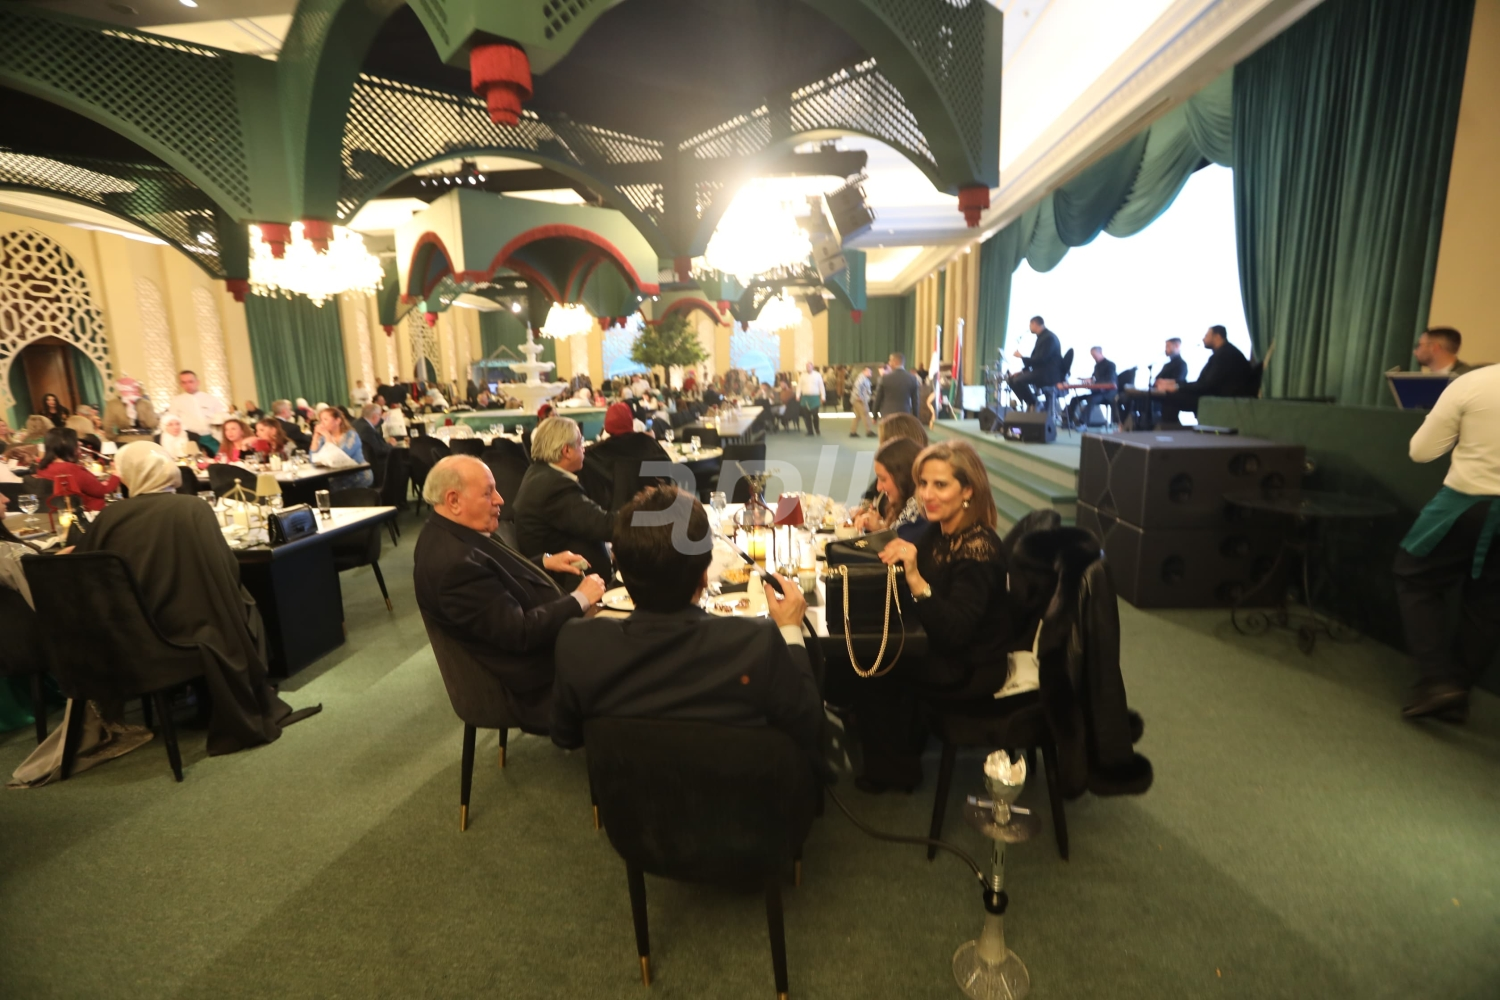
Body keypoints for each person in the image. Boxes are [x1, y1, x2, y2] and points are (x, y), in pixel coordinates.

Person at [551, 485, 827, 780]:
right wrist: (791, 629)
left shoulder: (577, 644)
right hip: (745, 801)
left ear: (621, 570)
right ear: (704, 574)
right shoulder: (756, 642)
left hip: (634, 803)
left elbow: (567, 736)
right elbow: (809, 726)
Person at [76, 441, 319, 755]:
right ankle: (242, 690)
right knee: (243, 604)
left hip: (131, 634)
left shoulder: (109, 517)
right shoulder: (192, 508)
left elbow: (87, 573)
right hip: (194, 632)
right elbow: (225, 570)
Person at [843, 441, 1016, 792]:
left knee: (869, 663)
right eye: (923, 483)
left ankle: (896, 771)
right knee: (860, 648)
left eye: (940, 485)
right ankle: (893, 747)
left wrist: (915, 578)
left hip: (970, 665)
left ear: (967, 490)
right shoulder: (939, 530)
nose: (927, 495)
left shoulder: (979, 549)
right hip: (939, 642)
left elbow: (956, 632)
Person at [414, 455, 606, 732]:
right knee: (634, 658)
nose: (500, 499)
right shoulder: (453, 565)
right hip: (537, 680)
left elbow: (496, 576)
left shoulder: (452, 531)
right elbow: (520, 633)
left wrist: (544, 562)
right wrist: (580, 599)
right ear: (453, 500)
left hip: (548, 646)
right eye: (488, 492)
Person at [1392, 362, 1500, 722]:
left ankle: (1439, 682)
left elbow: (1421, 451)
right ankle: (1458, 691)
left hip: (1466, 502)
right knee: (1489, 603)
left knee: (1414, 577)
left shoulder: (1474, 383)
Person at [513, 416, 614, 589]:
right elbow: (605, 526)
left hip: (564, 574)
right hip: (567, 585)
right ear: (566, 450)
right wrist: (648, 515)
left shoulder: (538, 471)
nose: (584, 448)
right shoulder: (554, 486)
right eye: (580, 443)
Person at [1154, 325, 1256, 421]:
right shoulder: (1223, 353)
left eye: (1207, 336)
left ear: (1217, 337)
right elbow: (1204, 382)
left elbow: (1207, 385)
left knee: (1170, 397)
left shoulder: (1224, 355)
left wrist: (1177, 387)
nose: (1203, 339)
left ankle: (1170, 429)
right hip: (1216, 393)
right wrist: (1175, 384)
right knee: (1171, 395)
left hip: (1223, 397)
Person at [579, 402, 669, 509]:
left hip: (611, 514)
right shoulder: (649, 444)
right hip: (649, 508)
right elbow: (667, 472)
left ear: (607, 425)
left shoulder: (594, 452)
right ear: (630, 421)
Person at [853, 437, 926, 541]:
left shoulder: (920, 509)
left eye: (883, 479)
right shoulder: (907, 503)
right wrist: (879, 527)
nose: (878, 488)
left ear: (903, 476)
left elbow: (898, 543)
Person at [34, 427, 120, 512]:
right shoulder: (70, 469)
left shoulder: (42, 467)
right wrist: (116, 473)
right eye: (75, 441)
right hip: (94, 512)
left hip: (58, 511)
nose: (79, 443)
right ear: (66, 445)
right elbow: (104, 492)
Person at [308, 407, 373, 489]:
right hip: (335, 477)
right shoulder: (323, 438)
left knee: (324, 487)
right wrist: (315, 437)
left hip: (357, 475)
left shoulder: (351, 435)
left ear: (338, 421)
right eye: (321, 420)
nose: (322, 423)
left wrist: (328, 437)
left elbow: (337, 459)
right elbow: (313, 459)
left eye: (325, 419)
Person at [1006, 316, 1063, 410]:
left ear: (1035, 324)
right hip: (1041, 371)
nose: (1029, 328)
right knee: (1011, 380)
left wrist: (1021, 357)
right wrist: (1022, 371)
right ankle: (1032, 403)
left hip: (1047, 374)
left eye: (1030, 325)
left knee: (1017, 381)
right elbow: (1036, 359)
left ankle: (1033, 403)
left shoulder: (1049, 338)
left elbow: (1041, 359)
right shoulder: (1043, 337)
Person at [169, 370, 227, 453]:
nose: (188, 385)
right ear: (181, 384)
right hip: (190, 438)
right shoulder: (177, 401)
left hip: (212, 436)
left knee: (220, 457)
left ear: (198, 382)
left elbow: (221, 417)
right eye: (184, 382)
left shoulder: (211, 398)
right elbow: (172, 420)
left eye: (190, 381)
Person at [1059, 346, 1118, 428]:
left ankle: (1082, 423)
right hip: (1096, 392)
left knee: (1091, 399)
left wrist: (1094, 382)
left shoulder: (1110, 365)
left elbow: (1110, 380)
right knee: (1074, 399)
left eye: (1094, 355)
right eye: (1092, 355)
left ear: (1100, 353)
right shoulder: (1097, 366)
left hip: (1107, 394)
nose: (1093, 357)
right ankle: (1068, 421)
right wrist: (1087, 380)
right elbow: (1093, 378)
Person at [873, 352, 921, 418]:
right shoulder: (913, 379)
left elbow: (878, 399)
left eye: (890, 361)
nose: (889, 363)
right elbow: (915, 401)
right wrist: (916, 416)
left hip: (887, 415)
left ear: (895, 362)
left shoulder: (884, 378)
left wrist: (874, 415)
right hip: (905, 414)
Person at [355, 403, 391, 469]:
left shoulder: (357, 423)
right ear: (375, 416)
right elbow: (378, 450)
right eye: (380, 415)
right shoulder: (367, 429)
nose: (380, 418)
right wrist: (390, 445)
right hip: (373, 464)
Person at [797, 361, 825, 436]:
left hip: (815, 397)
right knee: (807, 416)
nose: (808, 368)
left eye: (809, 366)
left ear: (812, 367)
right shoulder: (802, 375)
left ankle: (817, 429)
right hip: (805, 398)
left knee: (815, 415)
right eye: (807, 366)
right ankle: (810, 431)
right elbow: (799, 386)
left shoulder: (817, 375)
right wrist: (797, 395)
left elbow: (821, 386)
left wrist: (823, 396)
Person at [850, 365, 877, 437]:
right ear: (864, 371)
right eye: (868, 371)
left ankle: (853, 432)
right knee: (865, 414)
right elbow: (857, 387)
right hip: (860, 400)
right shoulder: (861, 378)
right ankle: (869, 431)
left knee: (858, 416)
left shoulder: (864, 378)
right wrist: (859, 396)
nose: (870, 373)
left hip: (857, 399)